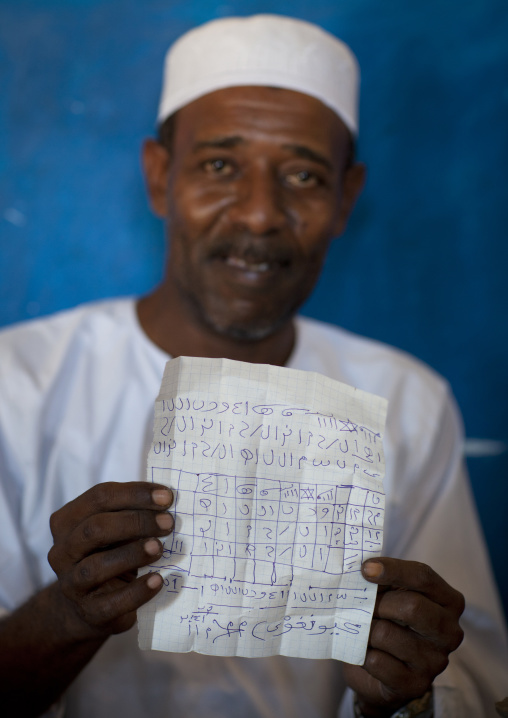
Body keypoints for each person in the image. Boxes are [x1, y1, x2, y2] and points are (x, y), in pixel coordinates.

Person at [0, 14, 506, 718]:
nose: (262, 215)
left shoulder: (408, 402)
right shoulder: (15, 385)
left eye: (303, 174)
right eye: (219, 166)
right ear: (158, 177)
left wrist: (408, 691)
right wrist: (68, 614)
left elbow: (475, 687)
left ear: (345, 200)